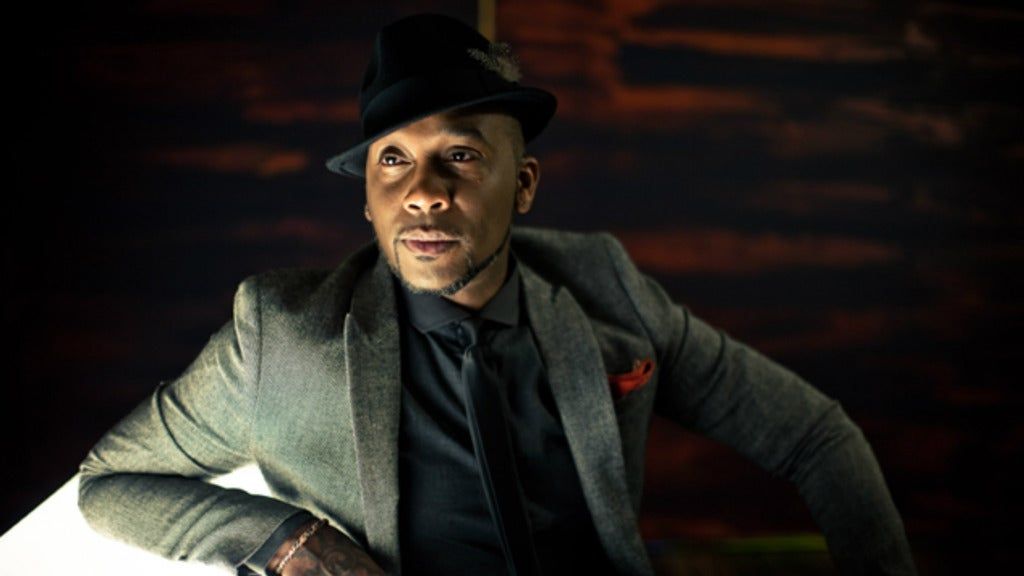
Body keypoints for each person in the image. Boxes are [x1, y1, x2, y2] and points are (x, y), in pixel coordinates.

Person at [77, 12, 918, 576]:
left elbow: (813, 436)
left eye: (462, 155)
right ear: (367, 196)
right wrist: (285, 539)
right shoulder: (283, 335)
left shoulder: (606, 289)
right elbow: (109, 481)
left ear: (524, 185)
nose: (423, 192)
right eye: (393, 161)